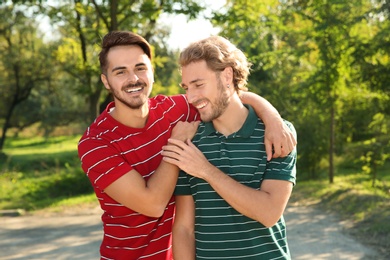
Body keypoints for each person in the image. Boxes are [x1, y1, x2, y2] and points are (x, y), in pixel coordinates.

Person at [78, 31, 296, 260]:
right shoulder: (95, 143)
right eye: (120, 71)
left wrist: (274, 119)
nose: (133, 78)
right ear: (106, 81)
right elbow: (153, 204)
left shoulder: (176, 110)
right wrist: (178, 143)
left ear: (152, 71)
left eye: (140, 68)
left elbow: (228, 96)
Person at [162, 36, 297, 260]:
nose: (191, 97)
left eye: (198, 84)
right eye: (187, 87)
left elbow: (269, 213)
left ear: (227, 76)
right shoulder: (190, 141)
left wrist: (205, 171)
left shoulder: (278, 134)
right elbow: (185, 229)